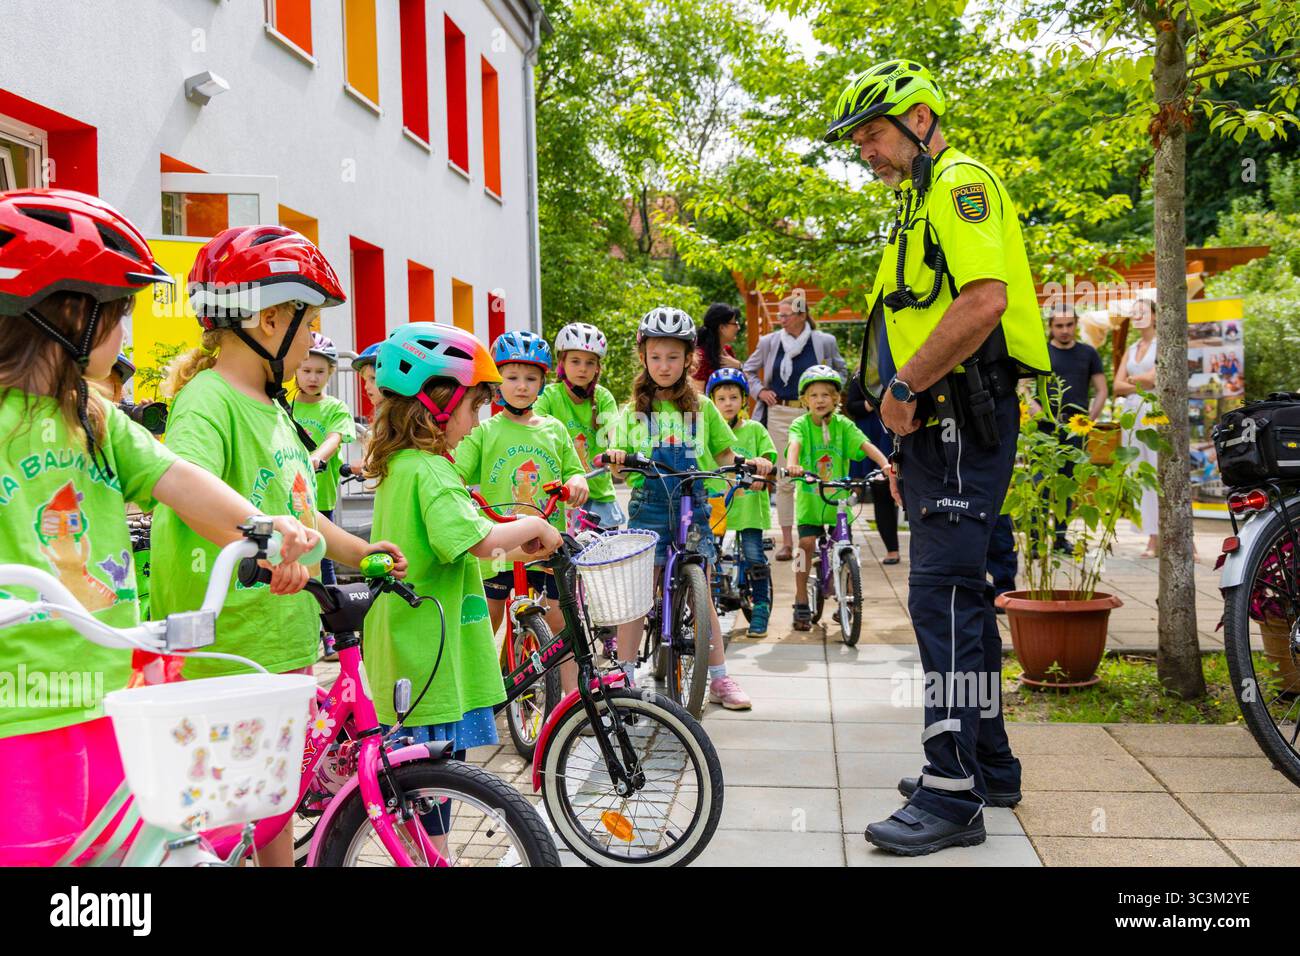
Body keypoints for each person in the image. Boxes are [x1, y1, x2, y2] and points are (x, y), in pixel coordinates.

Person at [0, 188, 318, 866]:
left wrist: (263, 529)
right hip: (16, 713)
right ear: (68, 313)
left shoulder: (94, 416)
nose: (126, 338)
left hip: (115, 702)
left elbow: (178, 481)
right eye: (117, 317)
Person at [826, 59, 1050, 854]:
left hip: (960, 419)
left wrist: (907, 383)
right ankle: (988, 765)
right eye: (858, 142)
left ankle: (950, 793)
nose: (866, 152)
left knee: (944, 600)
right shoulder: (919, 203)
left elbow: (983, 298)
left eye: (875, 135)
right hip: (936, 431)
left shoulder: (960, 183)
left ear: (920, 119)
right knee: (962, 598)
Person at [151, 224, 407, 867]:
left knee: (273, 809)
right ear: (269, 320)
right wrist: (267, 550)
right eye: (309, 323)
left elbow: (305, 519)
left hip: (284, 640)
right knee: (234, 817)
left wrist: (363, 552)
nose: (314, 346)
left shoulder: (273, 409)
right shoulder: (207, 402)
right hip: (228, 651)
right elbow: (189, 491)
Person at [363, 323, 562, 839]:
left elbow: (466, 541)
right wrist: (538, 525)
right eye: (474, 408)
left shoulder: (405, 464)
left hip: (411, 646)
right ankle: (438, 857)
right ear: (438, 404)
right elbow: (478, 541)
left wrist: (519, 543)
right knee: (429, 789)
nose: (477, 423)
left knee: (417, 788)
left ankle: (435, 852)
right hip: (428, 654)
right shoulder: (430, 471)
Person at [607, 307, 770, 710]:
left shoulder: (701, 407)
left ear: (689, 359)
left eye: (674, 357)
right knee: (638, 593)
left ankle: (719, 678)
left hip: (692, 508)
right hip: (649, 509)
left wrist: (751, 463)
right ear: (643, 356)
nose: (665, 365)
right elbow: (619, 460)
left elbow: (726, 452)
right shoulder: (633, 412)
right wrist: (616, 457)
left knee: (704, 594)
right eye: (657, 356)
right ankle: (624, 674)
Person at [454, 330, 588, 693]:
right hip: (499, 543)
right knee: (489, 615)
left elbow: (573, 468)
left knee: (562, 617)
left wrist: (577, 482)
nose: (522, 386)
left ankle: (575, 696)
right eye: (512, 377)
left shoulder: (554, 430)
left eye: (531, 378)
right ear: (498, 384)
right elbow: (456, 471)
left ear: (544, 382)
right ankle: (477, 686)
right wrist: (458, 492)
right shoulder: (485, 432)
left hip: (545, 542)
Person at [785, 366, 894, 630]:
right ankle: (801, 598)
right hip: (811, 502)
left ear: (836, 399)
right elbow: (795, 444)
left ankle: (846, 598)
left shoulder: (843, 425)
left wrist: (885, 464)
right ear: (804, 400)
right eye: (814, 395)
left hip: (838, 503)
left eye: (826, 395)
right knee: (805, 544)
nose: (820, 400)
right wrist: (793, 464)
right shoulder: (801, 424)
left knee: (844, 546)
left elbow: (865, 445)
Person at [742, 296, 848, 560]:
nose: (781, 319)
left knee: (820, 473)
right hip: (779, 413)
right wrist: (761, 391)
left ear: (802, 315)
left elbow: (842, 371)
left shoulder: (824, 341)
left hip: (814, 414)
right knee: (785, 478)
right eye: (780, 314)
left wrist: (829, 398)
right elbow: (748, 369)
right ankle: (788, 542)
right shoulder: (770, 342)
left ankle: (820, 537)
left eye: (786, 314)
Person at [705, 368, 777, 638]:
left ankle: (760, 607)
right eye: (721, 398)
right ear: (712, 402)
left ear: (744, 400)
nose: (727, 403)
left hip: (748, 508)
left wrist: (761, 472)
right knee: (708, 557)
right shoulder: (708, 431)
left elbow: (768, 458)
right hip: (716, 506)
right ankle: (707, 610)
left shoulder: (754, 429)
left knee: (754, 557)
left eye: (733, 397)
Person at [534, 321, 624, 529]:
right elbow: (535, 427)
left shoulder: (602, 397)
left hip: (599, 494)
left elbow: (614, 428)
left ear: (597, 367)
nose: (583, 368)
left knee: (605, 558)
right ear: (562, 363)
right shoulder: (549, 395)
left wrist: (617, 447)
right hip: (561, 493)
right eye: (575, 361)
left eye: (590, 363)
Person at [292, 332, 356, 588]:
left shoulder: (335, 408)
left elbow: (335, 437)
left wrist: (317, 457)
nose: (312, 378)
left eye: (320, 371)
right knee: (292, 551)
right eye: (306, 370)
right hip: (291, 493)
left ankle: (331, 615)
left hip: (320, 494)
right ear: (296, 370)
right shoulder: (285, 406)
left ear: (330, 372)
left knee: (322, 553)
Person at [1114, 296, 1159, 557]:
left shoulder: (1162, 344)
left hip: (1153, 412)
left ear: (1154, 316)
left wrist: (1135, 380)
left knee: (1156, 469)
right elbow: (1117, 386)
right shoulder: (1131, 348)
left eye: (1142, 312)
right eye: (1135, 313)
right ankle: (1151, 536)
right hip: (1132, 415)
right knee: (1139, 474)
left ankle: (1164, 537)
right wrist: (1138, 380)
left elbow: (1155, 379)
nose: (1138, 316)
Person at [845, 372, 902, 564]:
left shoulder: (898, 372)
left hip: (891, 437)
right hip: (866, 438)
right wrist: (869, 405)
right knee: (854, 493)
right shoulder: (859, 377)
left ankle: (893, 549)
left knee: (887, 492)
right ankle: (845, 545)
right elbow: (851, 406)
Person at [691, 302, 743, 391]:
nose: (738, 327)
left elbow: (744, 386)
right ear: (722, 328)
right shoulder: (701, 357)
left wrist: (739, 366)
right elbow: (697, 396)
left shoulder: (728, 351)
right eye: (735, 323)